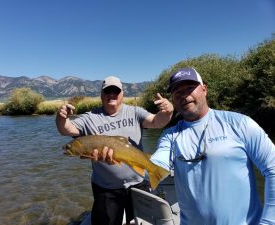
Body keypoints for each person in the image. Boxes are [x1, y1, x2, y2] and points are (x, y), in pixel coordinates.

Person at [149, 67, 275, 225]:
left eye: (189, 88)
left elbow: (273, 168)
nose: (184, 96)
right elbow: (155, 167)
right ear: (173, 99)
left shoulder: (240, 123)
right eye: (177, 92)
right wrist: (122, 158)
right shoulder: (170, 136)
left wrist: (269, 221)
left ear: (204, 89)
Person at [56, 76, 174, 225]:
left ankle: (155, 172)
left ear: (122, 94)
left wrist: (168, 112)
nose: (111, 94)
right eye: (107, 91)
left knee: (140, 222)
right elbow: (66, 129)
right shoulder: (89, 118)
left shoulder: (135, 112)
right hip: (106, 188)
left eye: (115, 91)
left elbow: (157, 122)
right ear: (101, 95)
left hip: (137, 183)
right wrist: (61, 117)